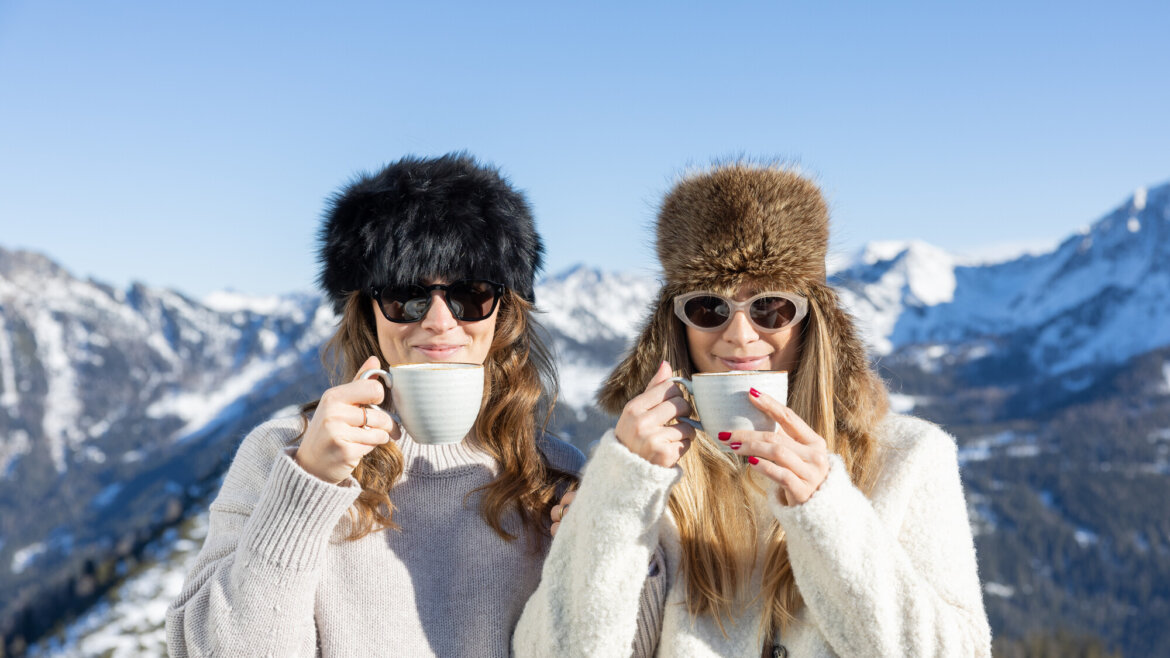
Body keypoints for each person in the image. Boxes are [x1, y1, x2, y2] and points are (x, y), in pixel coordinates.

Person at [514, 162, 992, 657]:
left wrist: (827, 511)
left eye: (771, 308)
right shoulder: (640, 472)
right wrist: (613, 501)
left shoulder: (908, 457)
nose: (740, 337)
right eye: (708, 308)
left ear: (813, 321)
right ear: (678, 326)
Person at [166, 153, 584, 657]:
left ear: (504, 311)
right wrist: (309, 483)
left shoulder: (554, 477)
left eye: (471, 294)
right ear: (367, 310)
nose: (438, 321)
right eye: (406, 295)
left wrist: (600, 552)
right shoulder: (281, 456)